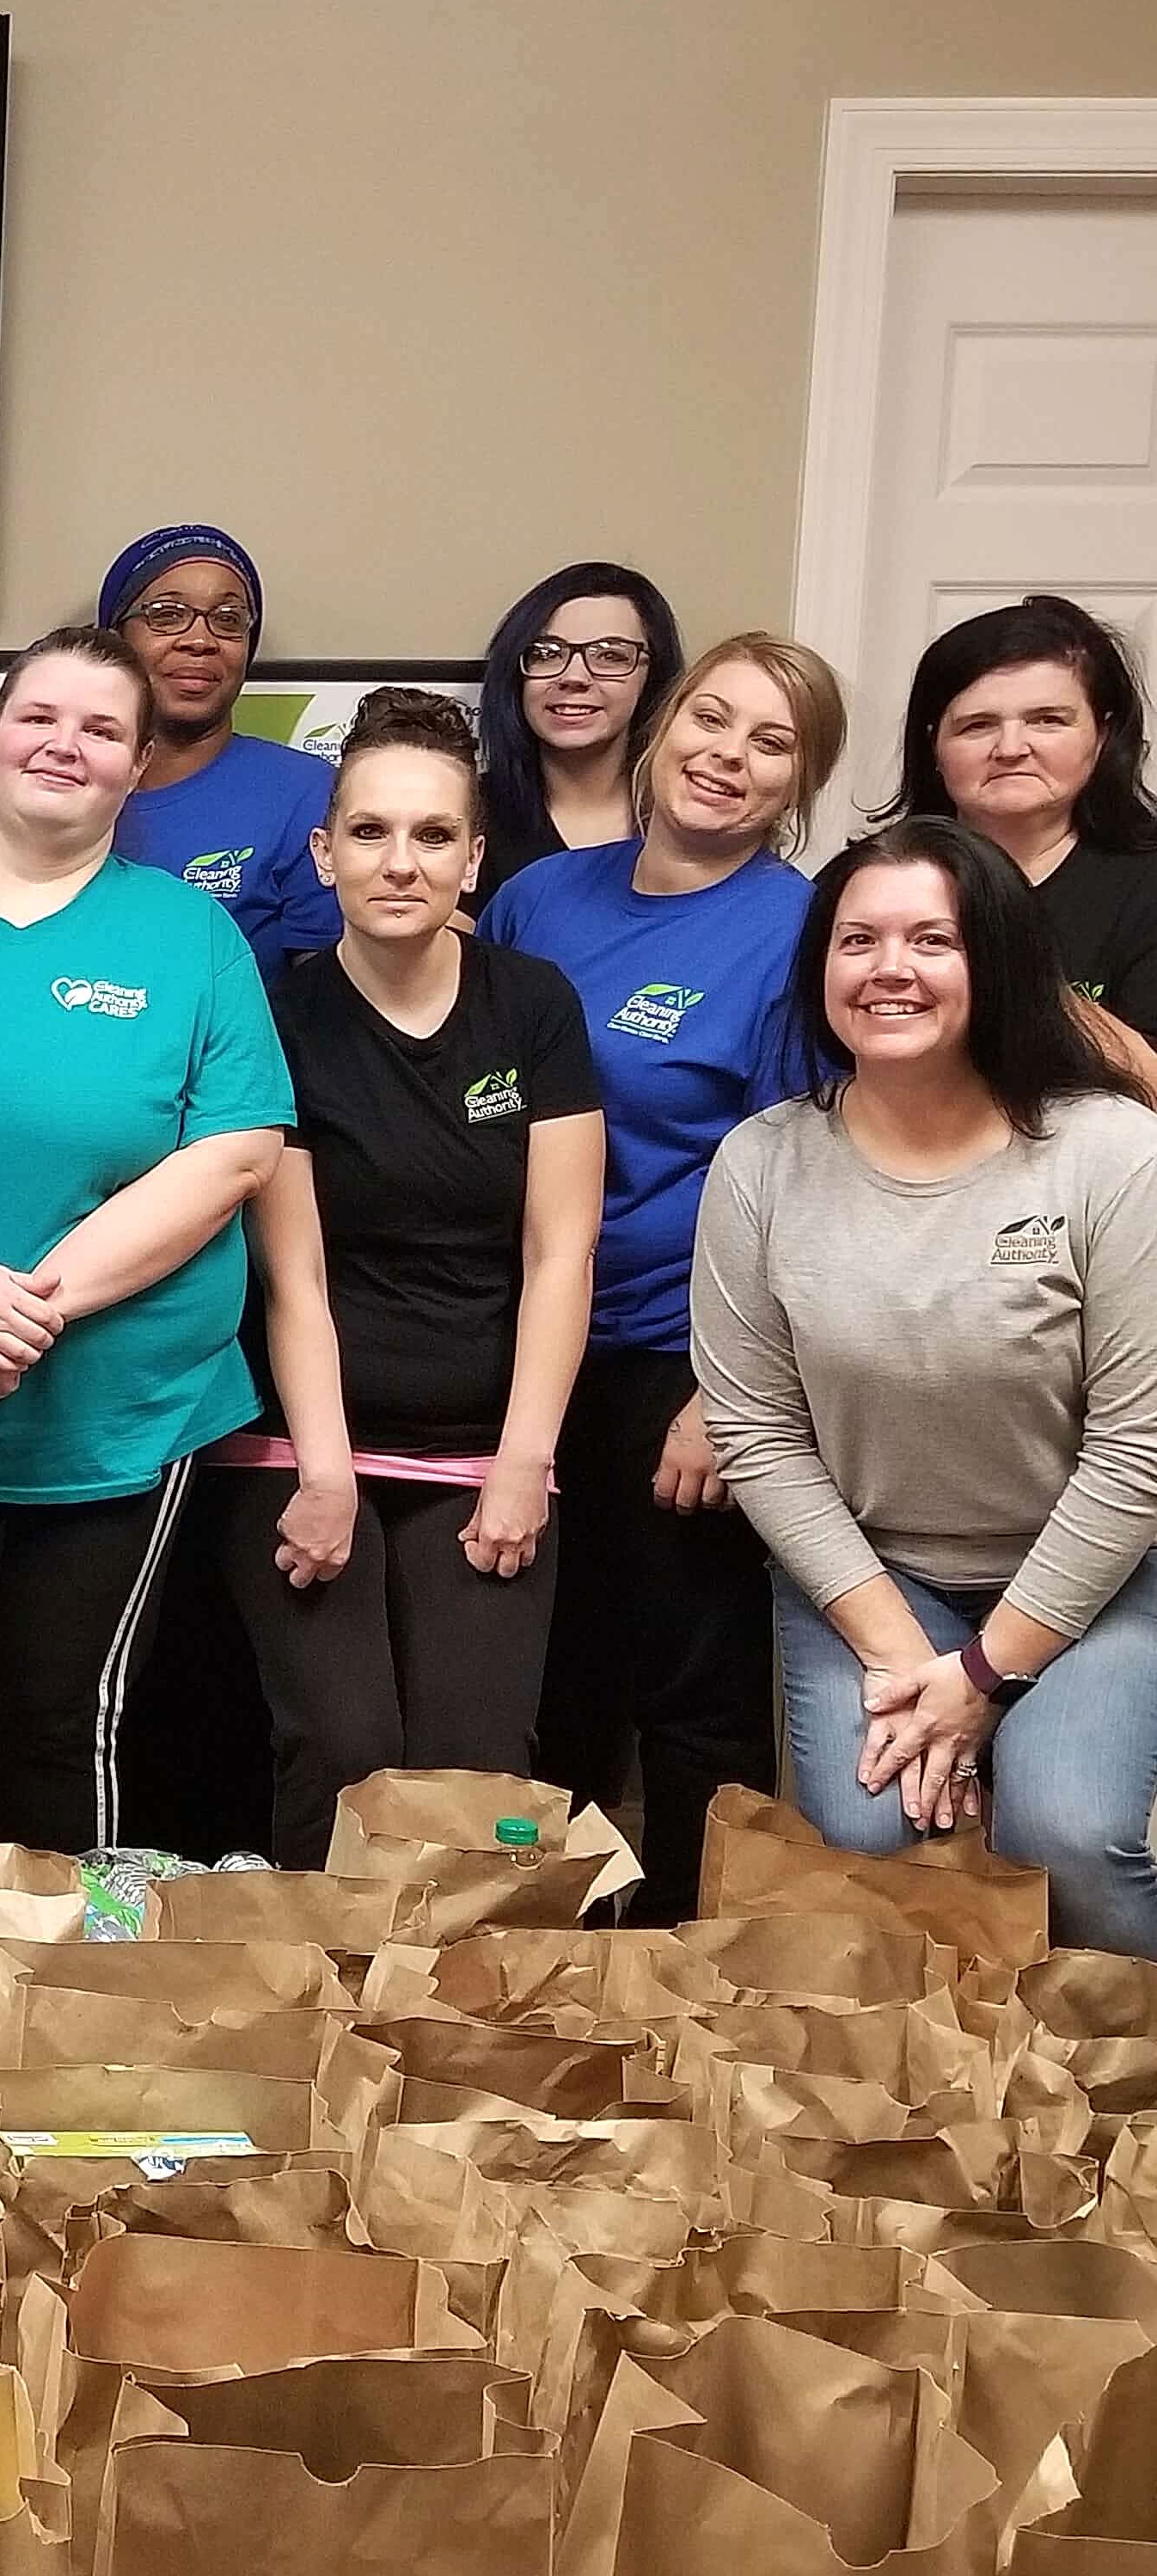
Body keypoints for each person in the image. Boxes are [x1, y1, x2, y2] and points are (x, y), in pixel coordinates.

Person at [0, 626, 291, 1852]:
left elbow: (235, 1153)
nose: (64, 745)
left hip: (114, 1407)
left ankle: (58, 2002)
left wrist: (30, 1308)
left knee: (50, 1716)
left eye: (102, 730)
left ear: (136, 769)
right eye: (39, 717)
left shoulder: (191, 940)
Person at [698, 819, 1157, 1960]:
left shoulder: (1111, 1154)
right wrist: (913, 1661)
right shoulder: (761, 1163)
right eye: (857, 940)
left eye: (930, 941)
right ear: (820, 972)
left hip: (1099, 1575)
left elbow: (1138, 1451)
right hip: (876, 1571)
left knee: (1071, 1831)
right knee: (872, 1831)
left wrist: (988, 1674)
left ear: (994, 963)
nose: (888, 968)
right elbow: (755, 1430)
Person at [481, 629, 846, 1920]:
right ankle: (548, 1962)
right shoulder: (540, 902)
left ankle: (691, 1968)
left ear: (799, 783)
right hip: (518, 1343)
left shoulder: (799, 936)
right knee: (546, 1675)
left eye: (771, 743)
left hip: (668, 1354)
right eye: (713, 720)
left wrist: (721, 1390)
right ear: (664, 724)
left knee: (687, 1683)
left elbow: (803, 1177)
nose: (727, 759)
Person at [206, 691, 603, 1868]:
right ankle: (320, 2014)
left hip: (484, 1447)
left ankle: (457, 2031)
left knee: (478, 1762)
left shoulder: (533, 1007)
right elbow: (296, 1275)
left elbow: (559, 1249)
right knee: (347, 1746)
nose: (401, 861)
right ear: (323, 853)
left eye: (435, 835)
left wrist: (527, 1464)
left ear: (475, 857)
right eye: (370, 832)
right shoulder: (276, 1012)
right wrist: (323, 1471)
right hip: (301, 1440)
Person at [881, 596, 1157, 1046]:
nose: (1011, 748)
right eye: (977, 725)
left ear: (1103, 736)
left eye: (1047, 720)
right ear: (934, 744)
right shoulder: (869, 879)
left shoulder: (1146, 885)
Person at [99, 524, 340, 973]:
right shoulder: (61, 778)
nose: (199, 640)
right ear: (116, 637)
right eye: (167, 615)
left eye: (228, 620)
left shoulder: (306, 793)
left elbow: (325, 1004)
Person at [475, 561, 686, 905]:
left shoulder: (690, 814)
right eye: (546, 654)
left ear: (653, 676)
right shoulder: (467, 814)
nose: (574, 677)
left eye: (610, 656)